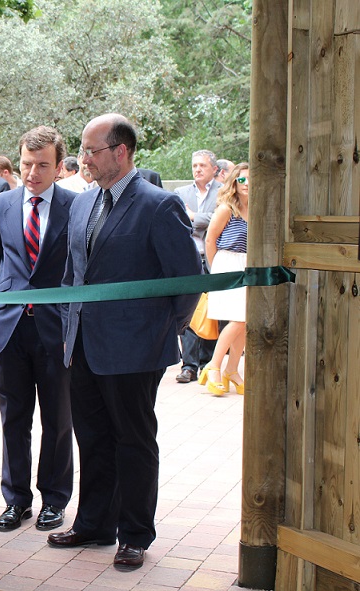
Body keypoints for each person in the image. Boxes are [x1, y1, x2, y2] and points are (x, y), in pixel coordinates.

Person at [50, 114, 200, 571]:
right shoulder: (81, 203)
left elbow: (188, 279)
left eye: (92, 150)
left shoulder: (159, 205)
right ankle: (95, 524)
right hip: (82, 345)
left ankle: (135, 534)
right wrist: (67, 322)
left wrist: (162, 328)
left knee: (133, 441)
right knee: (92, 438)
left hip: (134, 348)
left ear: (121, 151)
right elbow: (74, 272)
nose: (84, 159)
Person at [0, 126, 76, 534]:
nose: (32, 172)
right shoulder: (0, 204)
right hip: (9, 328)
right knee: (13, 419)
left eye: (42, 165)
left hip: (56, 329)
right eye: (26, 164)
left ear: (59, 167)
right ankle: (15, 500)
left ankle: (54, 500)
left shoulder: (77, 206)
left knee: (58, 420)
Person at [200, 163, 249, 396]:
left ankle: (232, 369)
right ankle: (214, 366)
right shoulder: (227, 209)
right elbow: (210, 240)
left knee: (245, 323)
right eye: (242, 180)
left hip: (248, 265)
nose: (247, 184)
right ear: (234, 183)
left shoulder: (257, 208)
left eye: (250, 180)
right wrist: (215, 270)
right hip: (227, 263)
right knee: (239, 320)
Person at [173, 149, 222, 383]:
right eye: (194, 166)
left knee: (213, 311)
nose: (198, 170)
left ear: (214, 169)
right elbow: (179, 221)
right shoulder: (180, 193)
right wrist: (202, 218)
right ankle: (189, 365)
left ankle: (207, 362)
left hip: (214, 258)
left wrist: (194, 217)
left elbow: (222, 219)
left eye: (202, 165)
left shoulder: (223, 192)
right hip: (190, 258)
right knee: (190, 310)